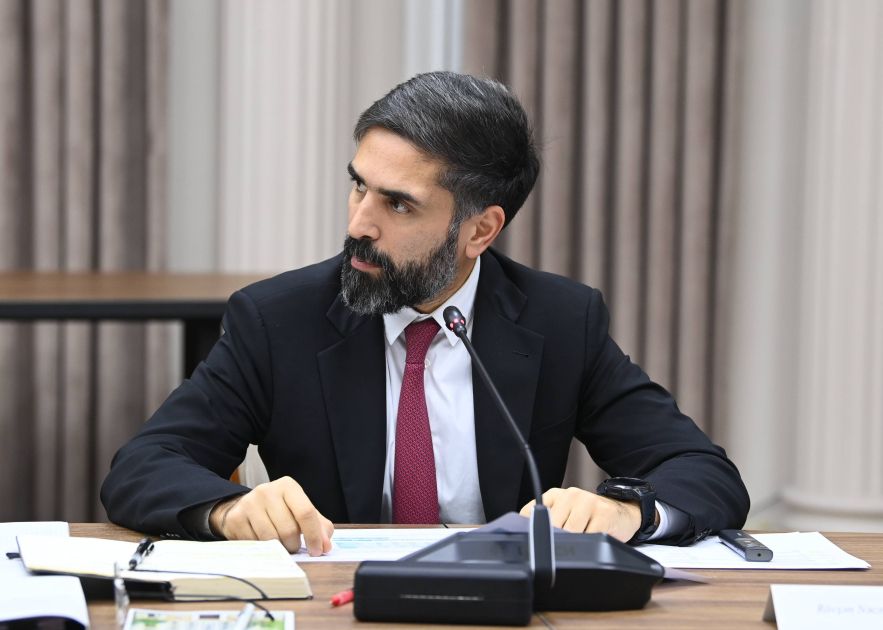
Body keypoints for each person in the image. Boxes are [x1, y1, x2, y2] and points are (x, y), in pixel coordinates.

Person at [101, 71, 749, 556]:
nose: (359, 224)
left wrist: (630, 511)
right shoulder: (278, 319)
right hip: (335, 608)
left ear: (479, 230)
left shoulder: (559, 321)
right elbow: (144, 465)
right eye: (358, 186)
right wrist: (229, 509)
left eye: (398, 205)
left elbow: (704, 473)